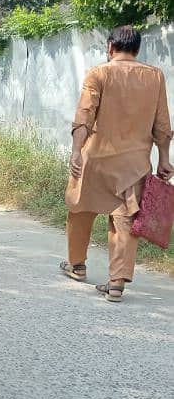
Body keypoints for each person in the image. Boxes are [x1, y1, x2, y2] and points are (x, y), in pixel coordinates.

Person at [60, 25, 173, 302]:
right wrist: (165, 159)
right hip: (134, 165)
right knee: (125, 220)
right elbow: (162, 124)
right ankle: (116, 283)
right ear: (137, 49)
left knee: (80, 210)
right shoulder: (155, 76)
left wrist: (76, 151)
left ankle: (76, 265)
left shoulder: (98, 74)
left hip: (96, 158)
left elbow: (84, 115)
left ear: (111, 46)